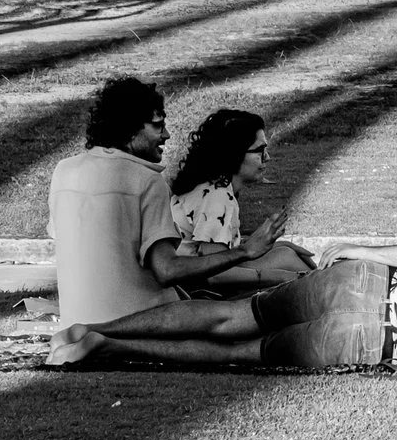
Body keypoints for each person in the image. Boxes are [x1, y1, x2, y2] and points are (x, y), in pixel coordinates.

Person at [44, 238, 397, 372]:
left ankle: (94, 326)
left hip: (371, 283)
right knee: (238, 353)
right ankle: (105, 345)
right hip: (370, 343)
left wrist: (368, 251)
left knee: (232, 315)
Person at [48, 78, 278, 330]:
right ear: (129, 128)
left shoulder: (63, 171)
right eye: (158, 126)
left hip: (75, 320)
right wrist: (245, 251)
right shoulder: (147, 180)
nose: (167, 135)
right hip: (136, 320)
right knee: (258, 312)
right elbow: (167, 270)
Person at [165, 108, 313, 291]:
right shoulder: (217, 196)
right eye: (260, 151)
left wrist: (276, 245)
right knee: (286, 259)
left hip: (189, 283)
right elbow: (215, 274)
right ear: (234, 154)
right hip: (192, 291)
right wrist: (283, 277)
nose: (267, 158)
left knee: (285, 252)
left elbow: (219, 252)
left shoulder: (212, 187)